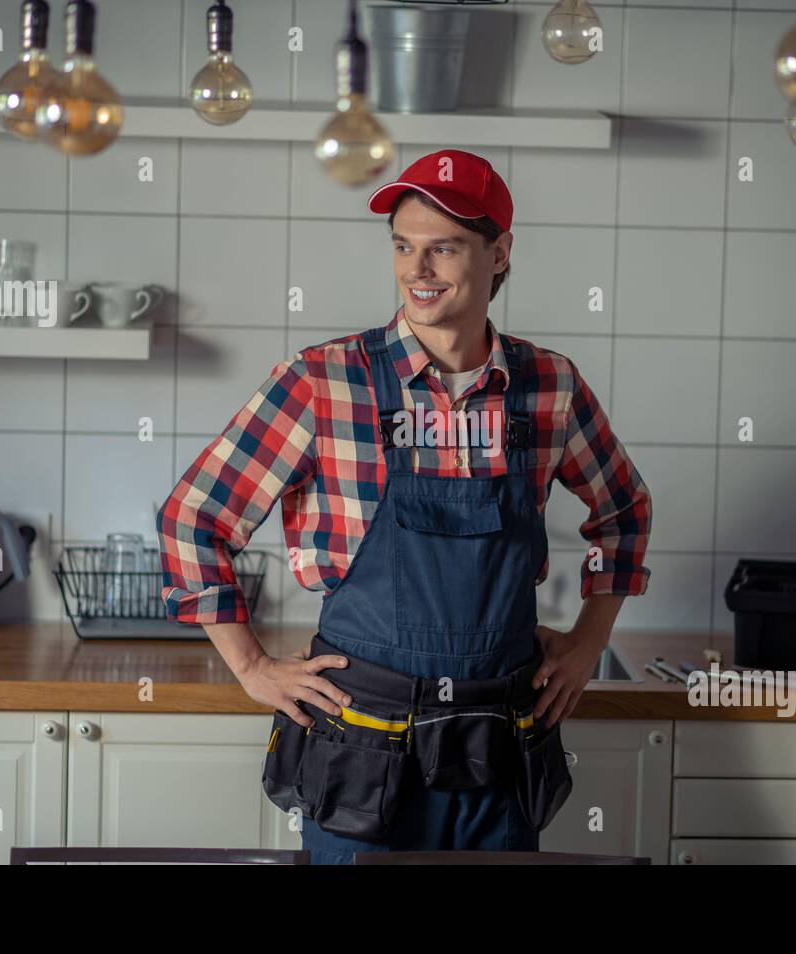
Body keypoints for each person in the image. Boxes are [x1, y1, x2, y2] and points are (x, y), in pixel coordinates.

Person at [157, 148, 651, 864]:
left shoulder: (549, 386)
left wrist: (587, 644)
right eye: (404, 246)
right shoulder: (323, 383)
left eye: (443, 248)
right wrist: (251, 667)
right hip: (361, 745)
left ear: (499, 253)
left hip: (499, 746)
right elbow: (193, 516)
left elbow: (625, 511)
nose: (417, 270)